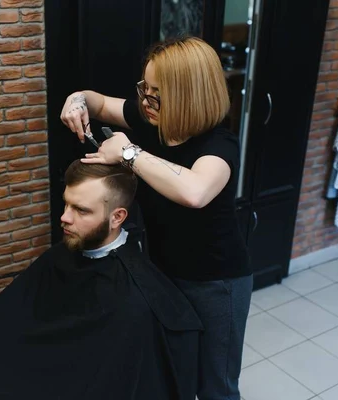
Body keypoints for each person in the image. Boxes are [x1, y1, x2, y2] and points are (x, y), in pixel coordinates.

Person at [0, 160, 203, 400]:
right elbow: (5, 323)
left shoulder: (135, 298)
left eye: (80, 210)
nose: (65, 218)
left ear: (118, 217)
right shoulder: (63, 255)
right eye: (66, 203)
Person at [61, 36, 253, 400]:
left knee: (216, 387)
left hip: (216, 282)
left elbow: (194, 192)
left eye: (156, 93)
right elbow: (98, 102)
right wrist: (77, 100)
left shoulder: (219, 145)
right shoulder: (152, 118)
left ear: (188, 95)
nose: (145, 100)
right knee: (175, 367)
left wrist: (128, 152)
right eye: (143, 88)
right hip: (165, 272)